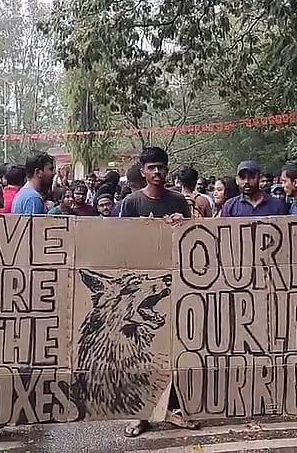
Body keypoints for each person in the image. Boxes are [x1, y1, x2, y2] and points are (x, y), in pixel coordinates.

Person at [117, 147, 194, 437]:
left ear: (167, 169)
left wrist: (180, 226)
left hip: (173, 285)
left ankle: (172, 408)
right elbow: (120, 242)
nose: (158, 173)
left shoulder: (178, 202)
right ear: (143, 171)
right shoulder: (131, 203)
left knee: (173, 350)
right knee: (142, 353)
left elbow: (190, 240)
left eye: (162, 167)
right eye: (152, 168)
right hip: (141, 289)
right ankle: (141, 414)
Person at [221, 161, 289, 217]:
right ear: (237, 180)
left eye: (252, 177)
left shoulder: (277, 205)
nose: (246, 181)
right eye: (242, 178)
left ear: (260, 178)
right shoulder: (229, 206)